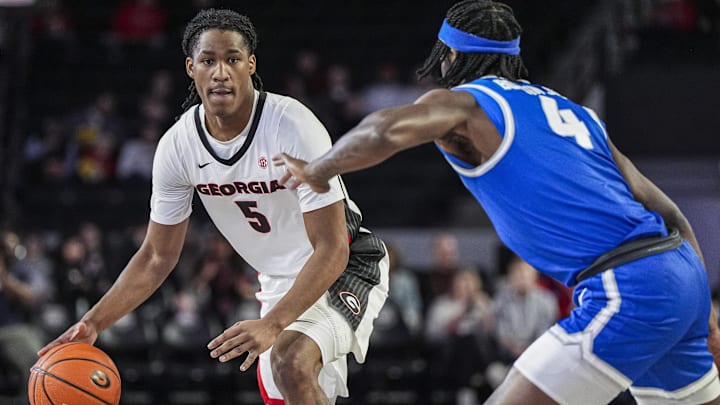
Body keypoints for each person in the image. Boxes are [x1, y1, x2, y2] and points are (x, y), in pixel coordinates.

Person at [272, 1, 720, 403]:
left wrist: (317, 169)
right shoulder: (576, 113)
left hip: (628, 287)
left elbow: (384, 130)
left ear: (449, 56)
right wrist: (705, 308)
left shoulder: (469, 106)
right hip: (682, 273)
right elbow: (666, 210)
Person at [39, 9, 389, 405]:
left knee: (291, 361)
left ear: (250, 64)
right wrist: (93, 322)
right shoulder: (178, 146)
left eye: (232, 59)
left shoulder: (291, 124)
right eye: (208, 60)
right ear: (191, 68)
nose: (220, 72)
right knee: (289, 386)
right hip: (277, 279)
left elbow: (332, 247)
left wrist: (273, 323)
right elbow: (156, 256)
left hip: (345, 263)